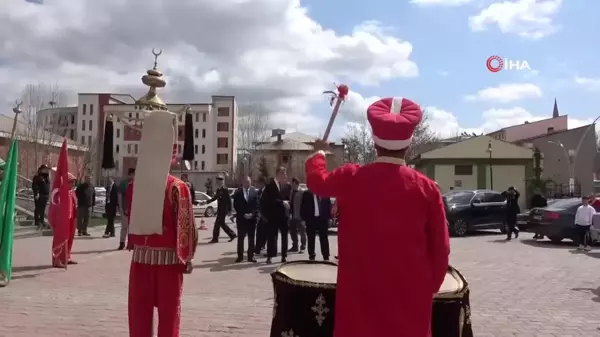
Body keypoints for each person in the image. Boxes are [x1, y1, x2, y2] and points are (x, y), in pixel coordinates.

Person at [305, 97, 450, 337]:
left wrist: (319, 154)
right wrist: (427, 287)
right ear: (409, 144)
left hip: (359, 294)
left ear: (374, 143)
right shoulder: (427, 188)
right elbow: (441, 248)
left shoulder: (351, 177)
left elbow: (317, 182)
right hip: (411, 297)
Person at [261, 166, 291, 264]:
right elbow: (267, 200)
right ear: (279, 174)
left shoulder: (287, 186)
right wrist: (282, 202)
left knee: (284, 236)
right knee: (272, 237)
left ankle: (284, 255)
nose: (285, 176)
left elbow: (289, 200)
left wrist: (289, 210)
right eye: (284, 173)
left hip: (284, 216)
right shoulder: (269, 185)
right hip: (273, 215)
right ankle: (270, 256)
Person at [51, 173, 78, 268]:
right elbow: (56, 207)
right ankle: (56, 260)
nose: (73, 184)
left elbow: (75, 205)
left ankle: (67, 257)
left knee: (70, 239)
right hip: (62, 220)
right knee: (60, 240)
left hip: (71, 219)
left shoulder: (72, 192)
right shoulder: (60, 192)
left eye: (74, 182)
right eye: (71, 182)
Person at [233, 176, 259, 263]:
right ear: (243, 183)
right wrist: (243, 214)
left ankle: (250, 256)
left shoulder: (254, 192)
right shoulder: (237, 193)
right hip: (241, 220)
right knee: (241, 239)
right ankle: (240, 257)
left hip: (252, 220)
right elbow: (236, 206)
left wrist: (252, 214)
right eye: (246, 182)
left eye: (249, 182)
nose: (248, 184)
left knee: (251, 239)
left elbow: (257, 205)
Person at [300, 188, 331, 261]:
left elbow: (328, 205)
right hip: (311, 219)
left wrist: (329, 218)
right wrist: (303, 219)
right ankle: (311, 256)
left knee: (324, 238)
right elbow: (303, 207)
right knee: (311, 238)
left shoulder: (324, 192)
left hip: (322, 219)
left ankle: (326, 256)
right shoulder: (307, 194)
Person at [205, 175, 236, 243]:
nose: (217, 182)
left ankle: (215, 238)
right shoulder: (218, 190)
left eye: (219, 181)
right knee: (221, 224)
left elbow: (229, 200)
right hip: (220, 210)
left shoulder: (225, 189)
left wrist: (230, 210)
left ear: (222, 182)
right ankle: (232, 235)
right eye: (217, 181)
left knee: (218, 224)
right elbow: (215, 198)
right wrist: (207, 201)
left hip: (224, 210)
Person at [118, 168, 135, 250]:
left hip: (134, 209)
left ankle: (131, 243)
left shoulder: (137, 183)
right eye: (133, 174)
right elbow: (120, 196)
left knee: (132, 227)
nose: (134, 176)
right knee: (124, 227)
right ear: (130, 174)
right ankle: (122, 243)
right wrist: (121, 207)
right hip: (125, 208)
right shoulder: (124, 183)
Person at [288, 178, 307, 253]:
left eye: (292, 183)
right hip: (292, 215)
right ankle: (295, 246)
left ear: (295, 183)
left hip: (300, 215)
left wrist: (303, 215)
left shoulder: (302, 192)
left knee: (302, 231)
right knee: (292, 231)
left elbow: (305, 204)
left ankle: (303, 246)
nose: (291, 185)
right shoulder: (291, 191)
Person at [32, 164, 51, 230]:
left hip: (45, 195)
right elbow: (35, 186)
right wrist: (36, 193)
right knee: (38, 208)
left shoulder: (47, 178)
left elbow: (48, 187)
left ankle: (41, 220)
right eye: (44, 169)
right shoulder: (37, 177)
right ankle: (37, 221)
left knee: (42, 209)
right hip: (40, 195)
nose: (45, 171)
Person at [254, 177, 268, 255]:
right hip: (260, 214)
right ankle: (258, 247)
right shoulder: (259, 191)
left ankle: (260, 247)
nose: (258, 184)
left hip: (265, 214)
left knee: (263, 232)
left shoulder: (267, 191)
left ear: (263, 183)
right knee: (259, 231)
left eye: (259, 183)